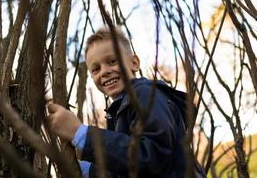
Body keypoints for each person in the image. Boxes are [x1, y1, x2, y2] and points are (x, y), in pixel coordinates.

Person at [47, 27, 206, 177]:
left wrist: (81, 133)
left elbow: (152, 156)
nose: (105, 71)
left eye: (112, 61)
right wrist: (87, 171)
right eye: (96, 69)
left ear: (134, 63)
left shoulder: (145, 94)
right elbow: (128, 169)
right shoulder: (120, 110)